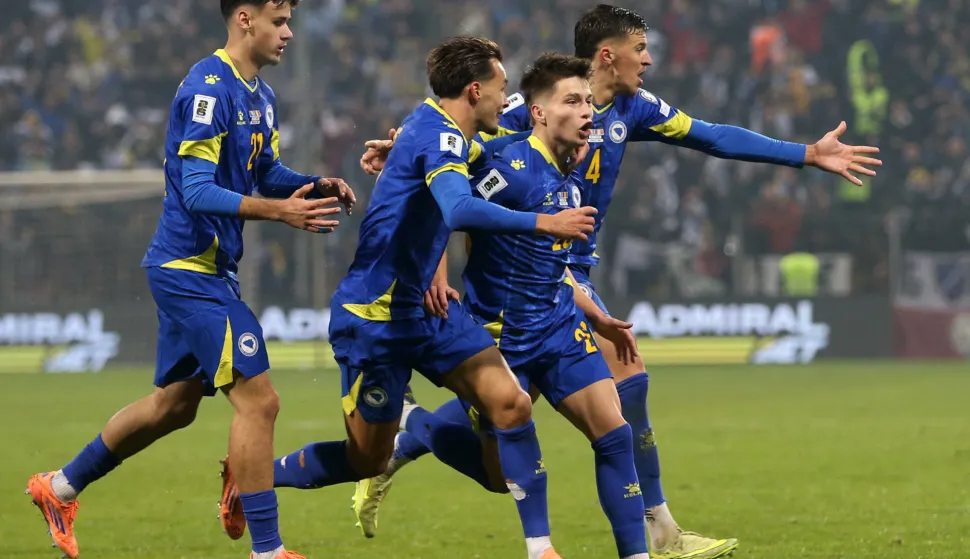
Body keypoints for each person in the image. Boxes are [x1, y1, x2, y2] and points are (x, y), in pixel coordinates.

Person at [357, 5, 882, 559]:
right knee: (508, 438)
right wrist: (431, 252)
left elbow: (713, 137)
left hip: (571, 270)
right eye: (641, 48)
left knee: (619, 387)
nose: (649, 59)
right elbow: (449, 173)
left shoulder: (634, 108)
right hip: (522, 280)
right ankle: (420, 434)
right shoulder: (525, 110)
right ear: (608, 54)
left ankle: (655, 528)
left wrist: (804, 154)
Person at [220, 36, 598, 559]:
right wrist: (546, 221)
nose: (503, 100)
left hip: (428, 310)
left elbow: (481, 149)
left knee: (510, 404)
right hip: (374, 319)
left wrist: (397, 148)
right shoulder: (440, 137)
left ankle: (541, 549)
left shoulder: (441, 128)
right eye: (499, 89)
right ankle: (252, 476)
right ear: (473, 90)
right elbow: (459, 209)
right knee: (366, 461)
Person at [25, 2, 356, 559]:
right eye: (279, 20)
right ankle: (268, 551)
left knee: (174, 406)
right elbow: (197, 189)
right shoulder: (207, 90)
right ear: (245, 19)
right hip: (187, 270)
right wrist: (280, 212)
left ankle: (59, 487)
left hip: (207, 270)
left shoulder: (261, 96)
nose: (290, 32)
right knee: (261, 403)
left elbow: (264, 172)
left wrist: (312, 183)